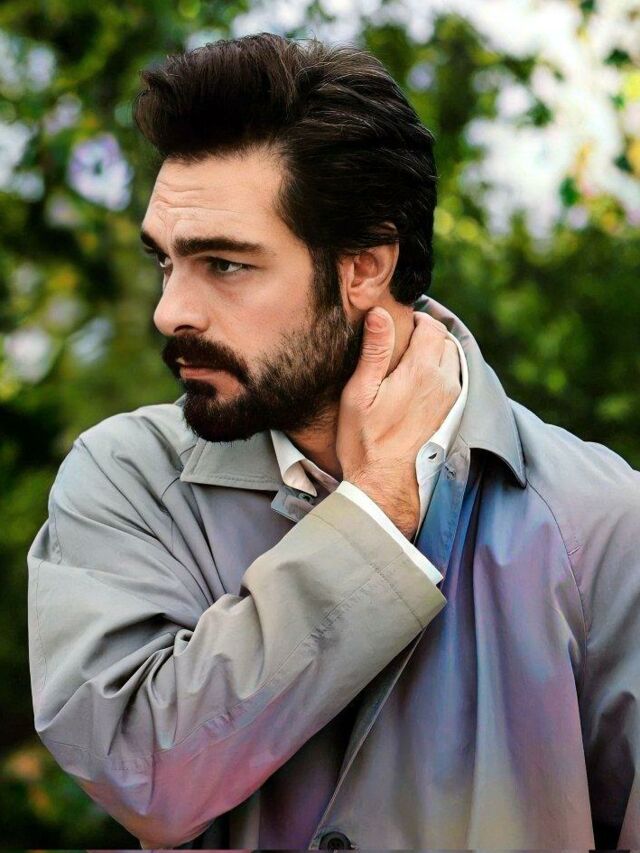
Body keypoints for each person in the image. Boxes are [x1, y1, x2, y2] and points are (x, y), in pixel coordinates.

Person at [26, 33, 640, 850]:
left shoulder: (597, 521)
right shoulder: (125, 480)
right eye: (166, 262)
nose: (170, 312)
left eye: (224, 265)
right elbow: (145, 774)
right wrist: (375, 511)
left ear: (364, 268)